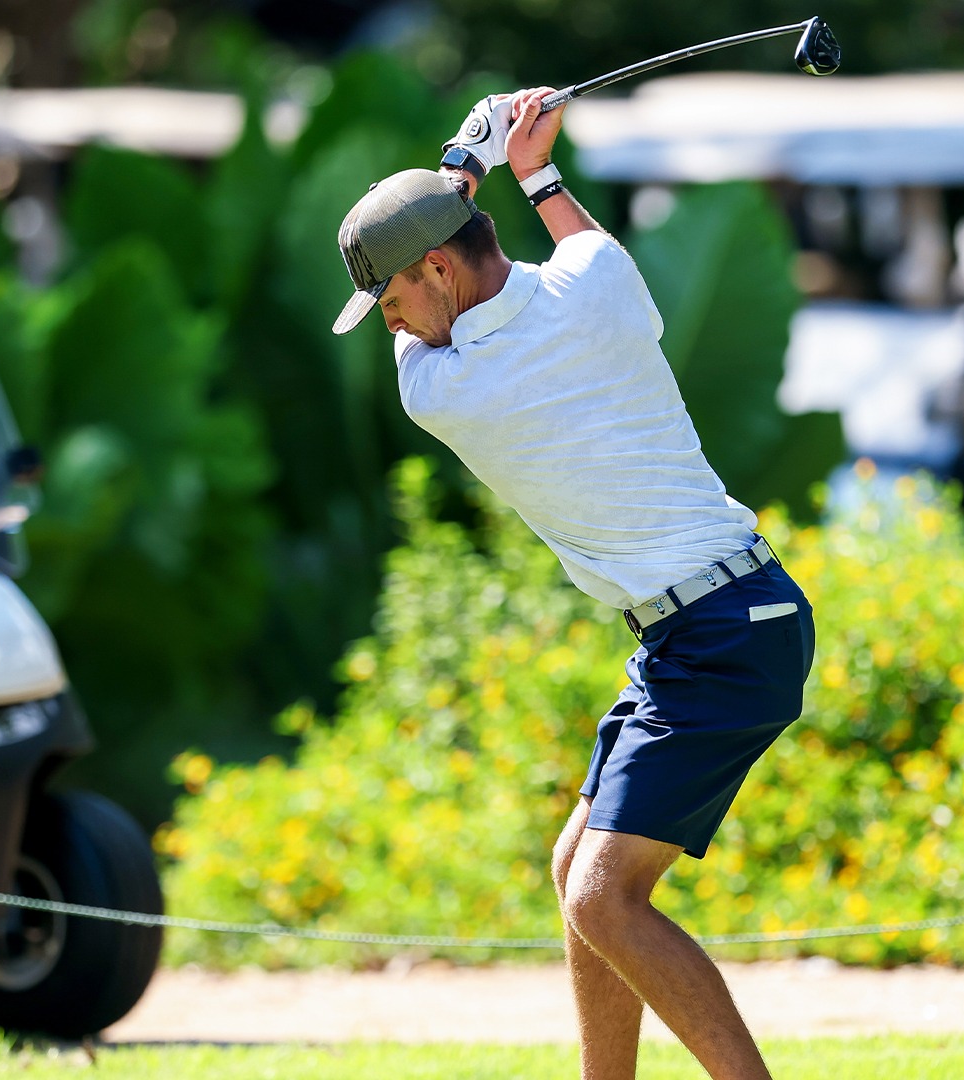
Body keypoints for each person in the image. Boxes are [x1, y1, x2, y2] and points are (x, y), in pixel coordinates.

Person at [331, 87, 816, 1080]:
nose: (394, 325)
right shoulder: (598, 284)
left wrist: (461, 162)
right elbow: (577, 244)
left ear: (436, 270)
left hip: (725, 629)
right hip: (713, 624)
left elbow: (431, 323)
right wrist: (531, 171)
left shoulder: (442, 388)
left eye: (390, 301)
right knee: (578, 875)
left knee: (603, 896)